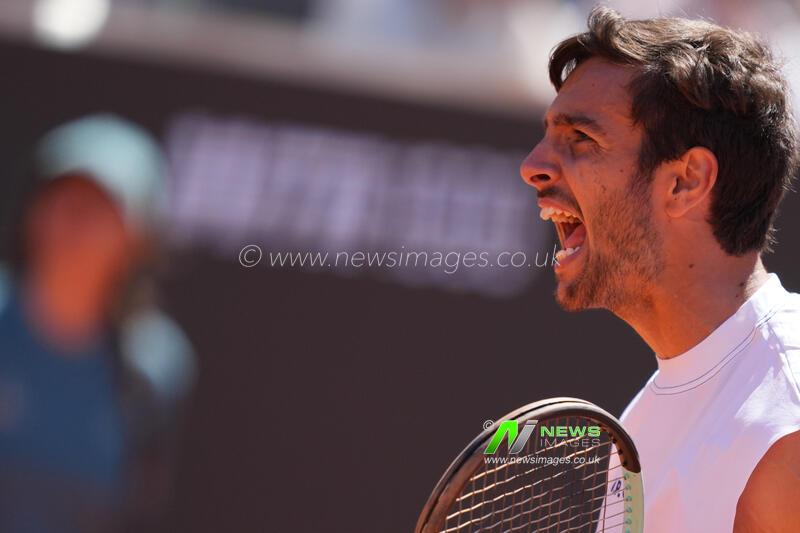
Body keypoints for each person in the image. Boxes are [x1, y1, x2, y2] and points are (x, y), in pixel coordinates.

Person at [519, 7, 800, 532]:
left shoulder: (789, 416)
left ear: (686, 181)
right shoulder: (643, 423)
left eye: (580, 138)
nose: (532, 166)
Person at [0, 114, 196, 532]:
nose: (73, 223)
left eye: (97, 211)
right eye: (62, 201)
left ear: (137, 241)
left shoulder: (154, 367)